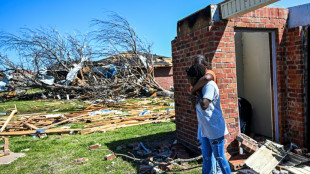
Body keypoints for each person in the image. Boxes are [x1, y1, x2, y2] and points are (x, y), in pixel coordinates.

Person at [186, 64, 231, 174]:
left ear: (195, 78)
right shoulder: (199, 88)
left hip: (214, 128)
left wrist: (196, 92)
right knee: (206, 158)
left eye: (189, 79)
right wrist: (193, 97)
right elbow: (196, 108)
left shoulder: (209, 86)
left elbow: (204, 105)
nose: (188, 82)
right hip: (204, 129)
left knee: (219, 158)